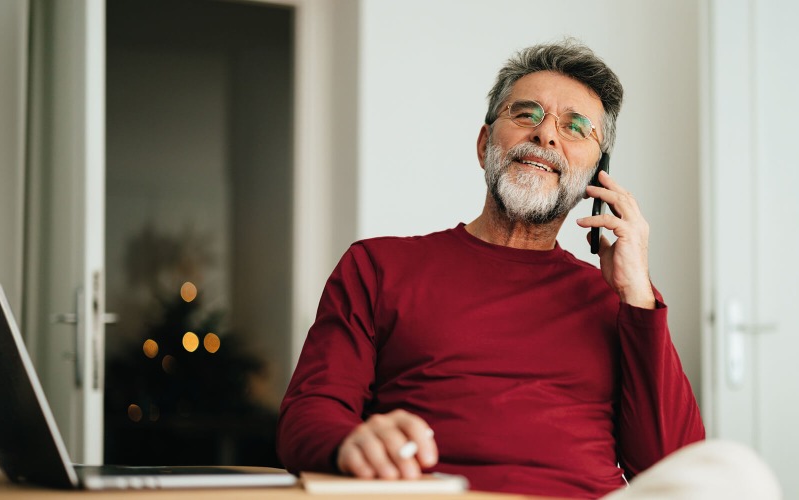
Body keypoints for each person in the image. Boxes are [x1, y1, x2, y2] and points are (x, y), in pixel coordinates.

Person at [276, 39, 706, 499]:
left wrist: (638, 293)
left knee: (737, 472)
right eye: (526, 115)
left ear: (595, 180)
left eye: (576, 127)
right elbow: (309, 416)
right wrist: (350, 443)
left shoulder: (616, 300)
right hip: (439, 493)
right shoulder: (378, 267)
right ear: (485, 145)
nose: (546, 135)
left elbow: (675, 468)